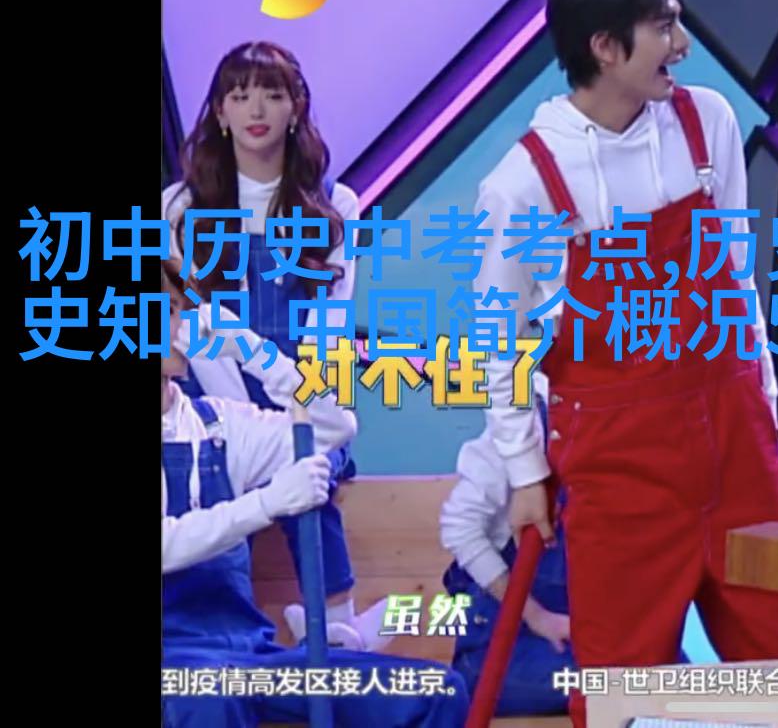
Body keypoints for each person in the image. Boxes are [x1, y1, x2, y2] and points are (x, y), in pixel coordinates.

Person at [468, 0, 778, 725]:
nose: (681, 44)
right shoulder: (524, 183)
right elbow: (499, 338)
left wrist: (762, 402)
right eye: (663, 26)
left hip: (737, 444)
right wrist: (524, 470)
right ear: (604, 46)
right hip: (621, 467)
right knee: (618, 688)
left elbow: (734, 277)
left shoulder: (708, 123)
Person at [160, 260, 469, 727]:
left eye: (178, 309)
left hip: (250, 654)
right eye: (164, 311)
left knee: (435, 692)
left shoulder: (217, 424)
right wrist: (265, 504)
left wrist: (253, 350)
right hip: (176, 665)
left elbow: (331, 426)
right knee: (208, 696)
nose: (179, 323)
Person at [162, 41, 386, 650]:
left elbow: (329, 328)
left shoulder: (336, 205)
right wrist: (249, 418)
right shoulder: (180, 207)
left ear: (296, 108)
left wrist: (298, 410)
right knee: (268, 457)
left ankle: (334, 629)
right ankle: (290, 632)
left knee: (308, 459)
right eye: (239, 96)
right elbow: (193, 327)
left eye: (271, 94)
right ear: (219, 112)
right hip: (214, 388)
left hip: (301, 385)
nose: (255, 110)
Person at [438, 373, 575, 716]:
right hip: (508, 649)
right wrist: (537, 616)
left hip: (592, 637)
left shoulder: (637, 425)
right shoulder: (529, 421)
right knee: (630, 684)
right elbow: (459, 527)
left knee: (674, 676)